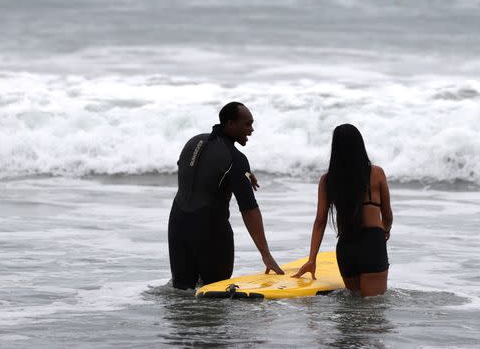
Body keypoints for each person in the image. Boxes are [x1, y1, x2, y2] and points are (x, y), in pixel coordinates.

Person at [167, 102, 283, 289]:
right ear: (230, 124)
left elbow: (198, 170)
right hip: (210, 230)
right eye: (247, 124)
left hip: (177, 225)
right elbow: (249, 209)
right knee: (216, 295)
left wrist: (242, 174)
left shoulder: (194, 142)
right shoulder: (235, 159)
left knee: (182, 294)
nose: (251, 129)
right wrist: (266, 255)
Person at [293, 124, 393, 297]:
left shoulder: (328, 180)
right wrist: (385, 229)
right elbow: (388, 214)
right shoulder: (376, 174)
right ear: (360, 145)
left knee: (352, 308)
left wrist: (312, 259)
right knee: (373, 312)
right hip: (372, 243)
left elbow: (320, 221)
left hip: (347, 246)